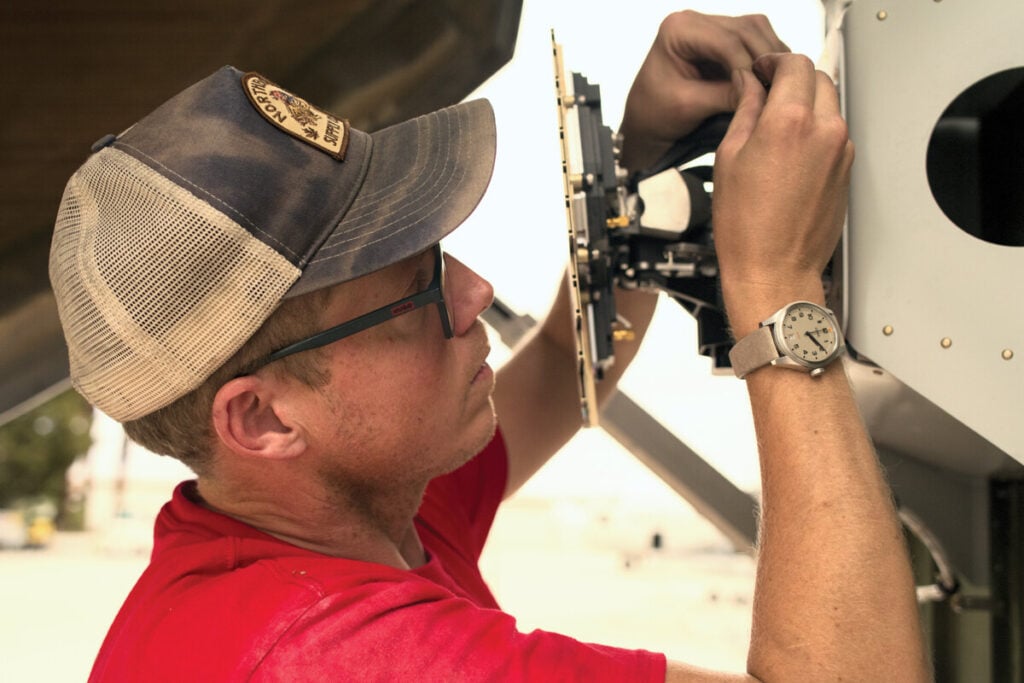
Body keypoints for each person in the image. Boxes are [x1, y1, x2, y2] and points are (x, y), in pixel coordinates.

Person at [50, 10, 929, 682]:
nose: (472, 292)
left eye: (436, 253)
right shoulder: (327, 651)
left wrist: (647, 164)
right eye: (414, 291)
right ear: (264, 417)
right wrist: (779, 292)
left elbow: (559, 365)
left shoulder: (346, 507)